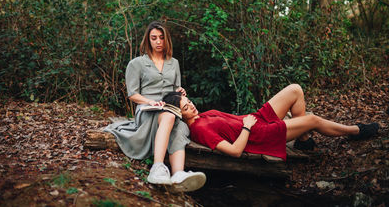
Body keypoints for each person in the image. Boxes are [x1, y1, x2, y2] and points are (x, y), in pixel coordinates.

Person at [104, 21, 206, 192]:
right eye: (154, 38)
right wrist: (149, 102)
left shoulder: (174, 63)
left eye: (161, 38)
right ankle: (157, 168)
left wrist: (180, 91)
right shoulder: (136, 63)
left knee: (180, 126)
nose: (158, 41)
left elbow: (176, 91)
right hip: (147, 109)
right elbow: (132, 94)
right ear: (148, 40)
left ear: (167, 40)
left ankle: (178, 175)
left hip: (170, 108)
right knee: (169, 116)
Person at [162, 84, 380, 160]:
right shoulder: (200, 129)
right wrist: (247, 127)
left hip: (257, 120)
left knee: (295, 90)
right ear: (179, 115)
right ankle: (356, 131)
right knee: (311, 119)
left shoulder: (201, 115)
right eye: (185, 107)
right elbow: (236, 151)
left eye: (188, 101)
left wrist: (180, 96)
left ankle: (303, 140)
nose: (190, 105)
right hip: (259, 135)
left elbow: (182, 102)